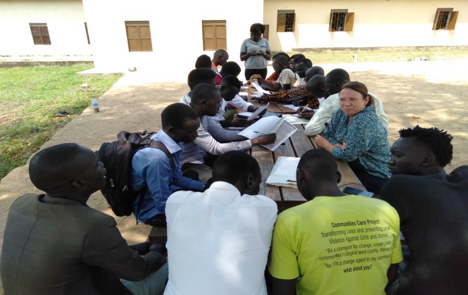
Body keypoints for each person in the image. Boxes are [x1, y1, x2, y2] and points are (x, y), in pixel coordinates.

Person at [1, 143, 168, 295]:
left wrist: (141, 248)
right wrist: (158, 250)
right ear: (79, 183)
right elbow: (139, 271)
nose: (103, 166)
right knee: (173, 265)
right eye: (96, 165)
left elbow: (79, 250)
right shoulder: (93, 224)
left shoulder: (22, 204)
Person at [269, 149, 402, 295]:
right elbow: (392, 271)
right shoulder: (385, 210)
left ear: (301, 176)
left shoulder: (289, 220)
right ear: (338, 177)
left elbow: (283, 289)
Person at [165, 151, 278, 295]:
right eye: (258, 183)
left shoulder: (176, 201)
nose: (258, 188)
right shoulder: (265, 207)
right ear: (250, 180)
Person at [381, 126, 468, 295]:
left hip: (424, 287)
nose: (390, 161)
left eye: (398, 155)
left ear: (427, 159)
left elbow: (375, 239)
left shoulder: (400, 185)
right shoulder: (464, 176)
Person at [181, 83, 276, 181]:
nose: (220, 106)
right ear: (204, 103)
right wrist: (254, 141)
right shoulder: (191, 121)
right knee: (220, 182)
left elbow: (223, 134)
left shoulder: (204, 115)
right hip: (189, 164)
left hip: (203, 156)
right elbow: (215, 148)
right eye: (218, 102)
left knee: (240, 164)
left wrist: (254, 132)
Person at [131, 103, 206, 225]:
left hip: (168, 193)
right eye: (191, 131)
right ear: (172, 130)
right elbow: (162, 204)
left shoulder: (169, 142)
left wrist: (205, 186)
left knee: (197, 184)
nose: (196, 135)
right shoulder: (157, 159)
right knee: (205, 216)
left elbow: (176, 178)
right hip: (152, 211)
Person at [315, 81, 391, 194]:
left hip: (375, 175)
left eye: (352, 99)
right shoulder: (343, 113)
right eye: (342, 99)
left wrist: (326, 144)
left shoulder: (364, 120)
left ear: (366, 100)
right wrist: (338, 145)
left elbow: (346, 156)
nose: (346, 104)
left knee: (324, 181)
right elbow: (327, 134)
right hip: (357, 166)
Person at [302, 69, 388, 134]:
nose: (326, 90)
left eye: (328, 87)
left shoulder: (334, 99)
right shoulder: (373, 97)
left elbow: (310, 130)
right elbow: (383, 127)